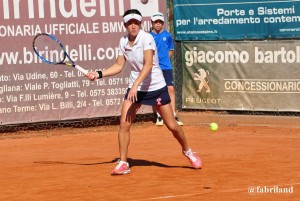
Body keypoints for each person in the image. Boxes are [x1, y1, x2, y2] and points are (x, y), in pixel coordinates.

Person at [86, 9, 202, 175]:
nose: (133, 26)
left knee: (172, 126)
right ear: (125, 25)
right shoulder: (123, 41)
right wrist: (98, 74)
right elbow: (119, 66)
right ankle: (124, 162)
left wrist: (135, 85)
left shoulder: (146, 38)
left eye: (136, 23)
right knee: (124, 123)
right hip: (136, 89)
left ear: (140, 24)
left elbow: (148, 65)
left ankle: (188, 151)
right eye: (129, 23)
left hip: (155, 86)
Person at [150, 12, 183, 126]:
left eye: (160, 22)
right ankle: (159, 116)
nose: (158, 24)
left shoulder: (168, 35)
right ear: (152, 23)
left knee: (170, 89)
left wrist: (165, 60)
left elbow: (171, 49)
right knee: (156, 91)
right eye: (156, 22)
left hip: (166, 67)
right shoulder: (149, 37)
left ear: (163, 23)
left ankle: (173, 115)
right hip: (154, 68)